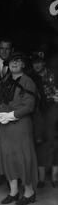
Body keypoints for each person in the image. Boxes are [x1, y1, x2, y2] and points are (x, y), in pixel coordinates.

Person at [0, 52, 38, 205]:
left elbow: (29, 105)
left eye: (18, 60)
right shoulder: (4, 81)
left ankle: (29, 192)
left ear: (23, 64)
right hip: (4, 126)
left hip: (20, 125)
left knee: (23, 158)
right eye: (12, 61)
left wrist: (11, 115)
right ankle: (13, 192)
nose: (14, 63)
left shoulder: (28, 81)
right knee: (7, 157)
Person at [30, 53, 58, 188]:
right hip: (39, 113)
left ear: (44, 62)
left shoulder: (53, 75)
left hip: (53, 111)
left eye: (39, 62)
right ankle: (41, 178)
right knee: (39, 143)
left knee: (54, 141)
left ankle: (54, 176)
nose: (37, 65)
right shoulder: (31, 77)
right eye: (34, 62)